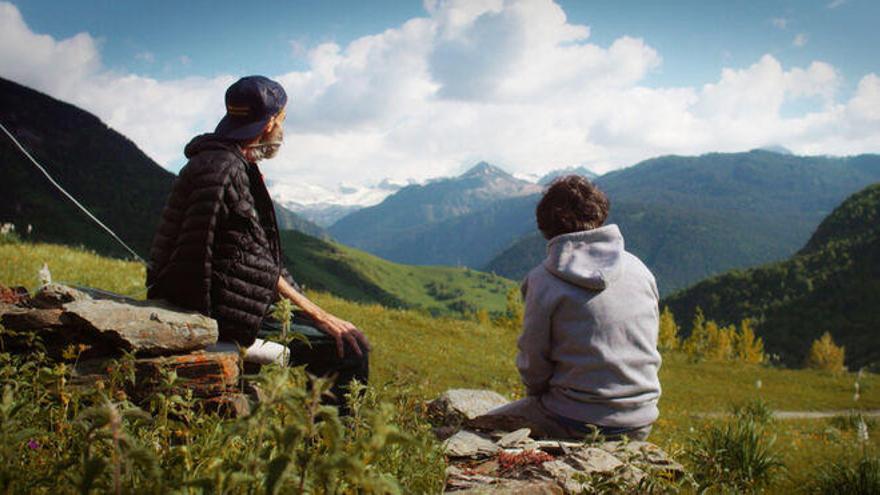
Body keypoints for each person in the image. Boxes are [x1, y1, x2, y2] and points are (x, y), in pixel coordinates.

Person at [146, 76, 370, 412]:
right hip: (218, 314)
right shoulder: (227, 170)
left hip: (207, 302)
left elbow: (251, 252)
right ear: (269, 123)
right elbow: (256, 260)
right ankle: (333, 452)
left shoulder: (213, 161)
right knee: (349, 349)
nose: (282, 128)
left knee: (332, 337)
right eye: (282, 120)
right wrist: (318, 315)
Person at [479, 175, 661, 441]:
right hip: (641, 421)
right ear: (599, 213)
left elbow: (533, 365)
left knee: (478, 429)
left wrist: (541, 396)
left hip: (573, 420)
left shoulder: (543, 280)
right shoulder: (639, 269)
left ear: (545, 226)